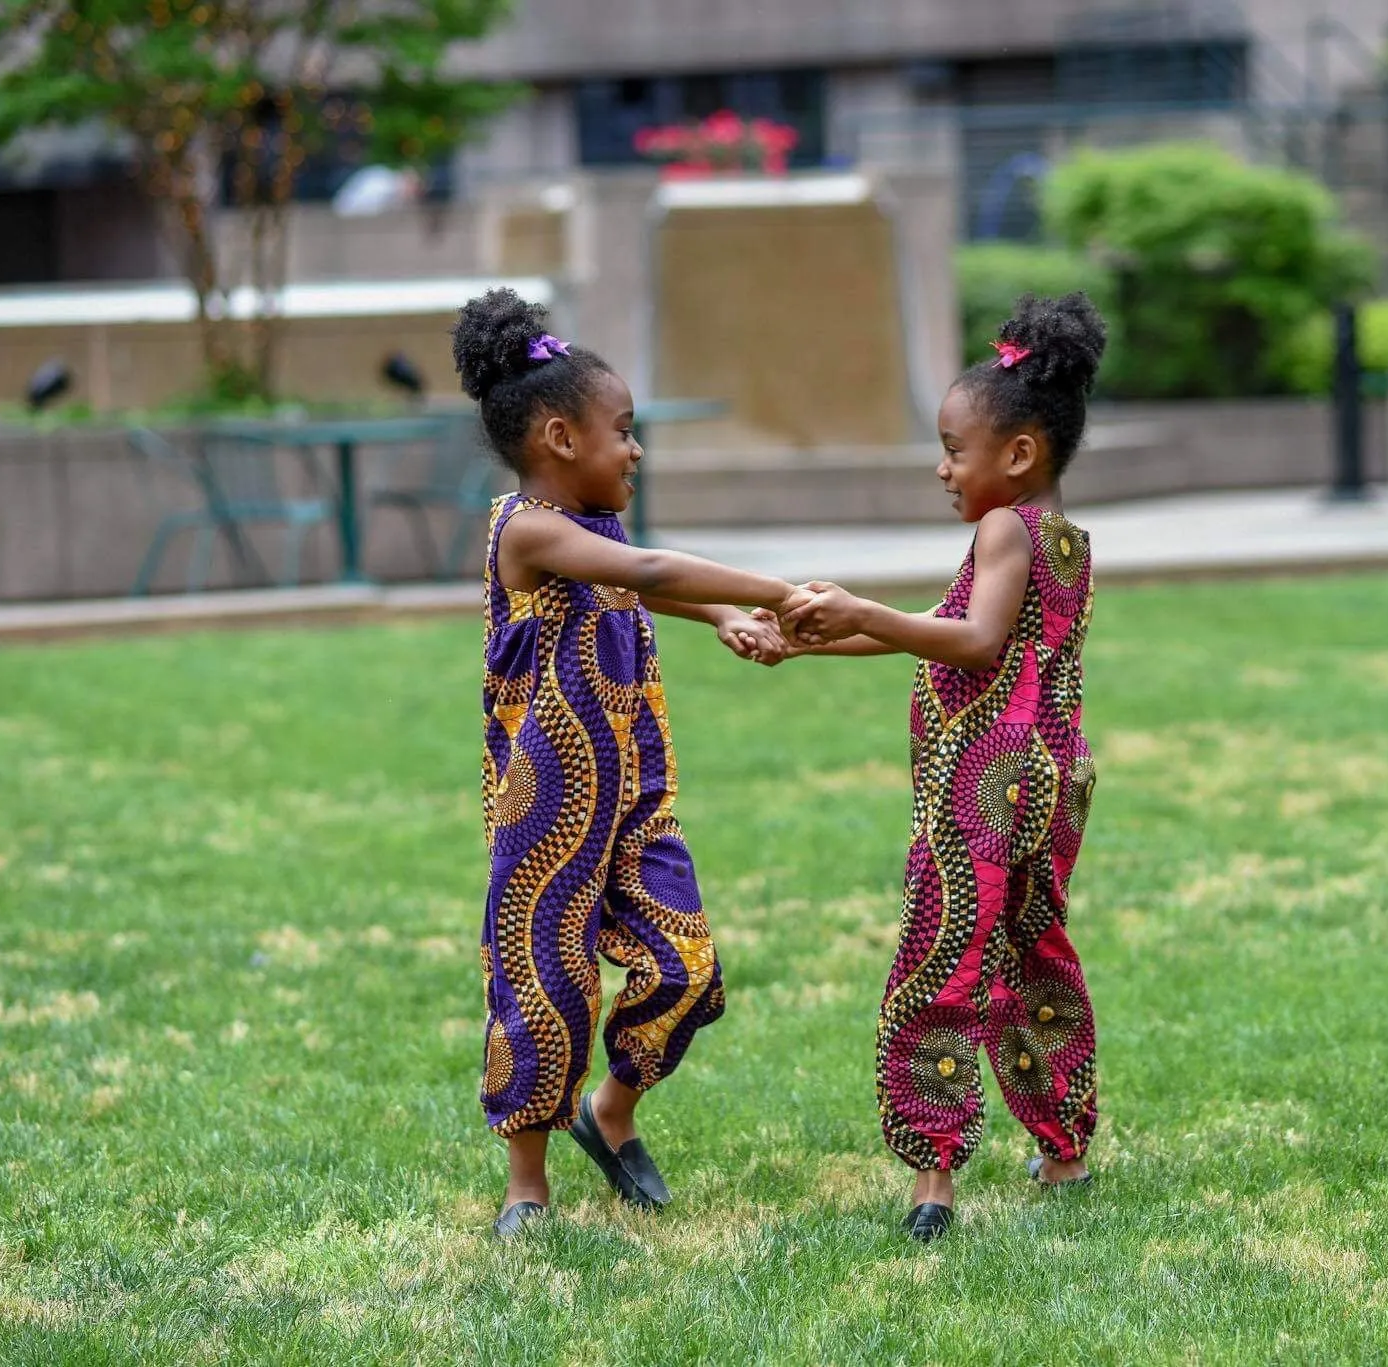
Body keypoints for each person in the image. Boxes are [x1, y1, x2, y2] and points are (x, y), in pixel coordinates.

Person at [453, 287, 805, 1239]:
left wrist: (725, 612)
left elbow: (636, 575)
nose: (637, 448)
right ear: (562, 438)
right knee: (544, 982)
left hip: (635, 792)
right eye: (625, 430)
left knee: (688, 968)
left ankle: (611, 1113)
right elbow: (646, 570)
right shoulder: (522, 527)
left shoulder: (592, 532)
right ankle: (527, 1181)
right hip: (548, 804)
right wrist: (782, 589)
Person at [777, 293, 1108, 1241]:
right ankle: (1063, 1148)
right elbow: (953, 641)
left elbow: (971, 639)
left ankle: (933, 1177)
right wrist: (814, 641)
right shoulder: (1067, 539)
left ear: (1018, 454)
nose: (942, 467)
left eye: (953, 449)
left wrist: (861, 608)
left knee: (945, 958)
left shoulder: (1003, 530)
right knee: (1034, 956)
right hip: (1055, 779)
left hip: (984, 787)